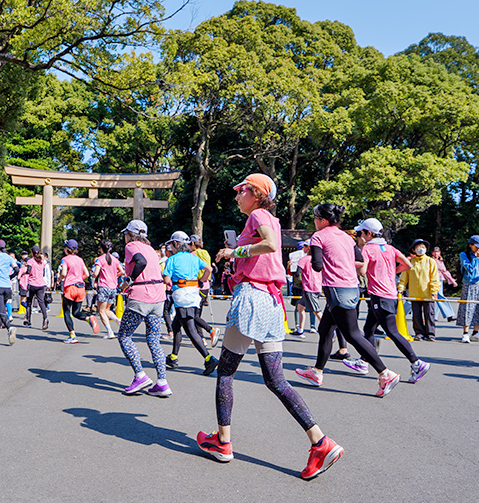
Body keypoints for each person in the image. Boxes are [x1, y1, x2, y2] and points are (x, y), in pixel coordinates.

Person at [198, 174, 343, 480]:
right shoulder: (271, 218)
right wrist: (235, 255)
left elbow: (269, 245)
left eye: (241, 191)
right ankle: (320, 442)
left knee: (225, 371)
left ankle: (223, 442)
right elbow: (268, 247)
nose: (237, 196)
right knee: (276, 380)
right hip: (272, 303)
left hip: (252, 299)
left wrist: (234, 252)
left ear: (256, 193)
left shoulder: (259, 215)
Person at [295, 203, 401, 397]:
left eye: (316, 218)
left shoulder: (318, 236)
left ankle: (385, 373)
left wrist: (321, 259)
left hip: (336, 289)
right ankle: (317, 372)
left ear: (323, 220)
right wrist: (342, 262)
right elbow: (360, 261)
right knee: (325, 329)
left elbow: (317, 266)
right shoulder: (346, 236)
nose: (315, 221)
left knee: (353, 334)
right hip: (352, 287)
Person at [344, 218, 430, 383]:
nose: (360, 236)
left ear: (369, 233)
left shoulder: (368, 249)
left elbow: (362, 271)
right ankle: (363, 361)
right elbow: (407, 264)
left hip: (379, 295)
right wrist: (392, 272)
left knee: (392, 331)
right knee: (368, 329)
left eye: (361, 232)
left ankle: (416, 362)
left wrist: (351, 262)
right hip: (389, 294)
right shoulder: (390, 248)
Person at [117, 219, 171, 396]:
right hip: (158, 297)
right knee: (154, 339)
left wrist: (128, 281)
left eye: (126, 233)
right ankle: (162, 382)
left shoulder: (132, 246)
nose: (125, 237)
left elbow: (140, 262)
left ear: (130, 234)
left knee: (124, 335)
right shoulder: (151, 249)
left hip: (141, 295)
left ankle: (140, 375)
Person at [163, 231, 217, 375]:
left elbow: (167, 280)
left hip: (181, 295)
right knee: (176, 325)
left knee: (190, 329)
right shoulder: (193, 257)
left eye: (171, 245)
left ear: (175, 244)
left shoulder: (172, 259)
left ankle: (209, 359)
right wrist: (201, 280)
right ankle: (173, 357)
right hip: (193, 294)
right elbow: (209, 269)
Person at [398, 239, 440, 341]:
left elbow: (434, 277)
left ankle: (430, 334)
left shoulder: (430, 261)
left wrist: (434, 291)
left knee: (429, 314)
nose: (421, 249)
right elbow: (404, 277)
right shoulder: (410, 263)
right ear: (413, 249)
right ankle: (419, 333)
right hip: (414, 293)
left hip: (428, 294)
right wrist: (401, 288)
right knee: (416, 314)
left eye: (423, 247)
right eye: (418, 247)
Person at [92, 239, 123, 339]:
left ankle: (110, 331)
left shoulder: (99, 259)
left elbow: (96, 273)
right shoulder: (115, 259)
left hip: (104, 286)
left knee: (101, 311)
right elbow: (122, 271)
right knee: (106, 309)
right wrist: (114, 275)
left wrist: (93, 276)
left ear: (101, 249)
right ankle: (117, 319)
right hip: (113, 287)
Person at [292, 241, 322, 338]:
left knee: (316, 311)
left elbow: (297, 273)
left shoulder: (304, 259)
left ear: (308, 248)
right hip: (317, 286)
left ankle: (332, 331)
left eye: (305, 246)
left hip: (309, 287)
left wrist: (292, 266)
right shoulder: (319, 259)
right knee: (300, 307)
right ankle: (300, 330)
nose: (303, 248)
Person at [23, 246, 50, 330]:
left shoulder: (30, 261)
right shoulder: (42, 262)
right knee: (41, 302)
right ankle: (45, 318)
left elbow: (28, 271)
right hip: (41, 284)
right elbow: (43, 273)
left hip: (32, 284)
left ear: (31, 252)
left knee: (29, 303)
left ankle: (28, 320)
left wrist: (23, 273)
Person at [431, 247, 457, 321]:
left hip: (439, 279)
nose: (436, 253)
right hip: (433, 280)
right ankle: (449, 314)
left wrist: (452, 280)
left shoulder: (440, 261)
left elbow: (445, 272)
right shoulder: (431, 260)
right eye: (434, 252)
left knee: (437, 297)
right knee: (439, 296)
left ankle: (434, 316)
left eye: (437, 252)